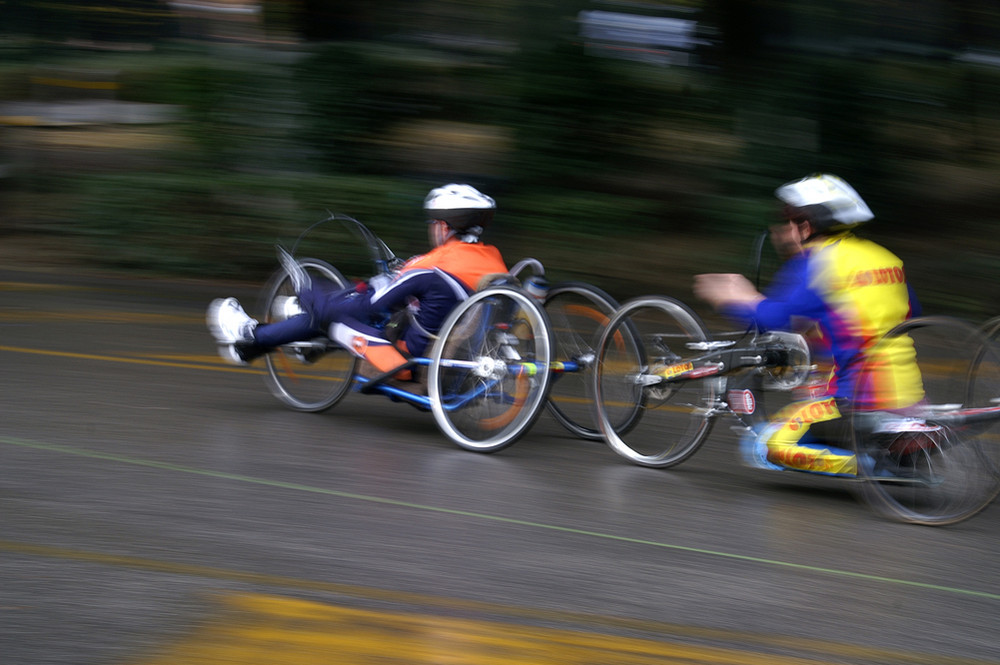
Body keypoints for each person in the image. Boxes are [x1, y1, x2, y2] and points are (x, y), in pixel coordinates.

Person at [693, 173, 924, 475]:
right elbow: (904, 317)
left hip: (855, 402)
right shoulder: (886, 259)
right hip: (910, 399)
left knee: (762, 446)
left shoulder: (819, 261)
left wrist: (736, 297)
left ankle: (875, 466)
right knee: (814, 412)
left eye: (789, 219)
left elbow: (776, 320)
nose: (786, 229)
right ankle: (895, 451)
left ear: (806, 224)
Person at [207, 184, 508, 384]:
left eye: (432, 224)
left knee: (332, 312)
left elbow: (372, 303)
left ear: (443, 227)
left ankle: (254, 333)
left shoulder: (429, 268)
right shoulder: (493, 261)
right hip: (459, 356)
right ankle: (278, 341)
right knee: (358, 310)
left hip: (404, 361)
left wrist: (308, 291)